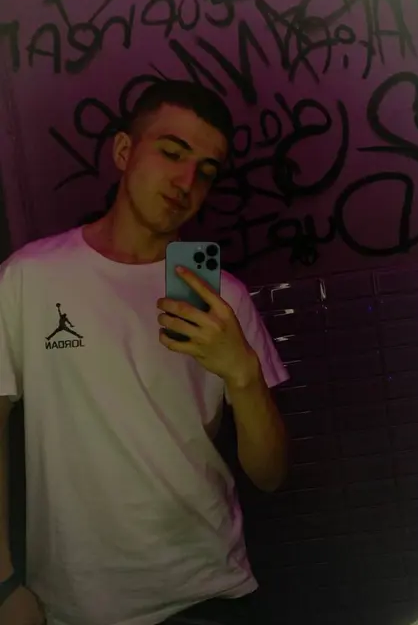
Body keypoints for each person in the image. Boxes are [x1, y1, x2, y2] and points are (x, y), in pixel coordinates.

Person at [0, 80, 290, 625]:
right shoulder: (29, 278)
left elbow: (271, 475)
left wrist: (243, 374)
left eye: (206, 171)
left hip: (208, 591)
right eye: (173, 153)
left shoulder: (222, 297)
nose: (186, 182)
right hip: (74, 603)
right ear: (124, 151)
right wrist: (2, 582)